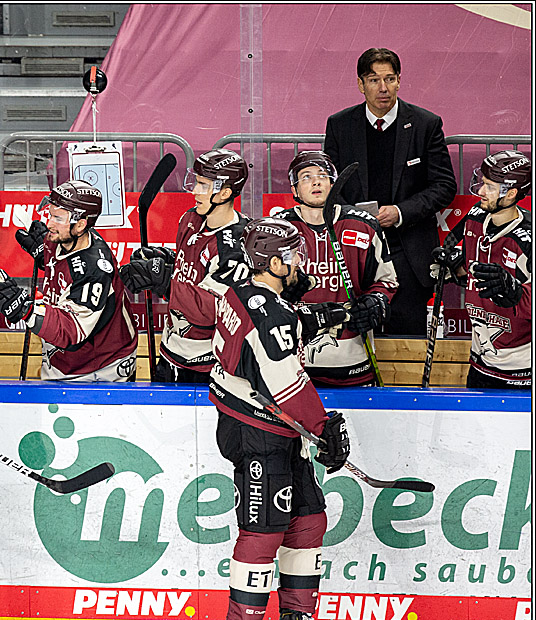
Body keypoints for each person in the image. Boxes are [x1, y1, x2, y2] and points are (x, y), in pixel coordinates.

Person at [207, 217, 350, 620]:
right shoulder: (270, 312)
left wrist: (317, 316)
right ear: (273, 262)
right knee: (265, 526)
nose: (301, 262)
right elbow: (285, 381)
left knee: (308, 516)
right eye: (293, 255)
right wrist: (323, 427)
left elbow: (268, 335)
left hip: (278, 428)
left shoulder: (244, 292)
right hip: (257, 429)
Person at [324, 47, 456, 335]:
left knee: (408, 342)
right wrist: (356, 217)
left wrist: (399, 212)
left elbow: (444, 185)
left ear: (399, 81)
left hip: (408, 252)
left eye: (390, 79)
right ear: (361, 84)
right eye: (373, 80)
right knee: (352, 339)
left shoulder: (425, 124)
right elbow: (331, 187)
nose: (383, 88)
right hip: (354, 248)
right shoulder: (339, 125)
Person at [0, 180, 138, 382]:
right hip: (63, 363)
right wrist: (44, 255)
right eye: (50, 215)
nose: (49, 224)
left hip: (98, 371)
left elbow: (72, 330)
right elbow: (65, 269)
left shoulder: (94, 269)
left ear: (81, 224)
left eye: (58, 218)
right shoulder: (63, 239)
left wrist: (23, 308)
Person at [120, 149, 251, 383]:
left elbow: (212, 309)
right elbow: (190, 264)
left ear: (225, 192)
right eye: (195, 182)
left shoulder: (237, 245)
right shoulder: (191, 219)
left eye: (203, 185)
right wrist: (164, 258)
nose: (194, 190)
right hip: (172, 352)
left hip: (210, 364)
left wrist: (164, 282)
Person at [274, 151, 398, 386]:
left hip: (352, 360)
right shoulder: (279, 228)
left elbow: (387, 280)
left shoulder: (363, 225)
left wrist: (375, 302)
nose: (316, 181)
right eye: (306, 177)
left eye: (323, 175)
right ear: (294, 190)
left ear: (333, 183)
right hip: (292, 361)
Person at [432, 150, 531, 389]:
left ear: (512, 193)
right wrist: (451, 267)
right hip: (479, 363)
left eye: (489, 186)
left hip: (522, 371)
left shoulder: (528, 240)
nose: (480, 192)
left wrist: (516, 292)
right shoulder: (475, 217)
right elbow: (467, 270)